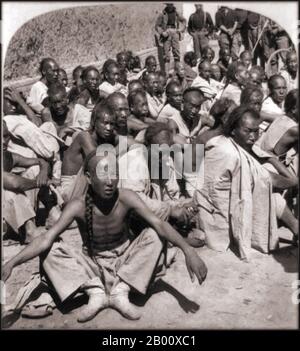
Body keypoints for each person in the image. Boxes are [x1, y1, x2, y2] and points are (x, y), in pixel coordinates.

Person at [3, 151, 207, 322]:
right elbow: (45, 239)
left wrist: (188, 250)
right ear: (90, 179)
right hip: (93, 268)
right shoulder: (78, 205)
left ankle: (121, 291)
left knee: (155, 235)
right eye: (103, 174)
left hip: (126, 265)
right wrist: (11, 263)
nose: (110, 181)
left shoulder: (126, 197)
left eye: (115, 173)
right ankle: (96, 293)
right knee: (50, 248)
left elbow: (159, 224)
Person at [196, 106, 298, 260]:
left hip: (233, 203)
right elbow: (277, 180)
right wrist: (291, 178)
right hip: (219, 214)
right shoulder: (226, 151)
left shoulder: (241, 147)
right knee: (272, 194)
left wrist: (269, 158)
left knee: (267, 187)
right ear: (233, 130)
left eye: (256, 131)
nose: (253, 136)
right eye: (247, 131)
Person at [3, 121, 54, 243]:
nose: (3, 141)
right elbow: (14, 183)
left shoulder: (7, 156)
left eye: (5, 136)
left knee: (33, 169)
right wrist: (41, 182)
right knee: (10, 189)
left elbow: (41, 161)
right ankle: (29, 230)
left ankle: (53, 212)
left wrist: (43, 172)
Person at [60, 102, 117, 202]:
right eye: (105, 123)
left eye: (112, 124)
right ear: (94, 122)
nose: (109, 128)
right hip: (70, 191)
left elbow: (129, 142)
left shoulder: (107, 137)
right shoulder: (84, 137)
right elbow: (99, 164)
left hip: (88, 187)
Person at [257, 89, 298, 166]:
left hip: (264, 161)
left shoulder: (281, 118)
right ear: (294, 109)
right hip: (273, 167)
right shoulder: (295, 130)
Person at [155, 3, 186, 74]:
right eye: (168, 4)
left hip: (175, 32)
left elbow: (184, 21)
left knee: (177, 53)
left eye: (171, 4)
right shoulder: (162, 14)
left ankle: (177, 72)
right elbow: (157, 26)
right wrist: (162, 32)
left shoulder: (177, 13)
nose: (170, 6)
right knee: (166, 55)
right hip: (167, 33)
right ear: (166, 5)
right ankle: (166, 74)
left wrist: (180, 30)